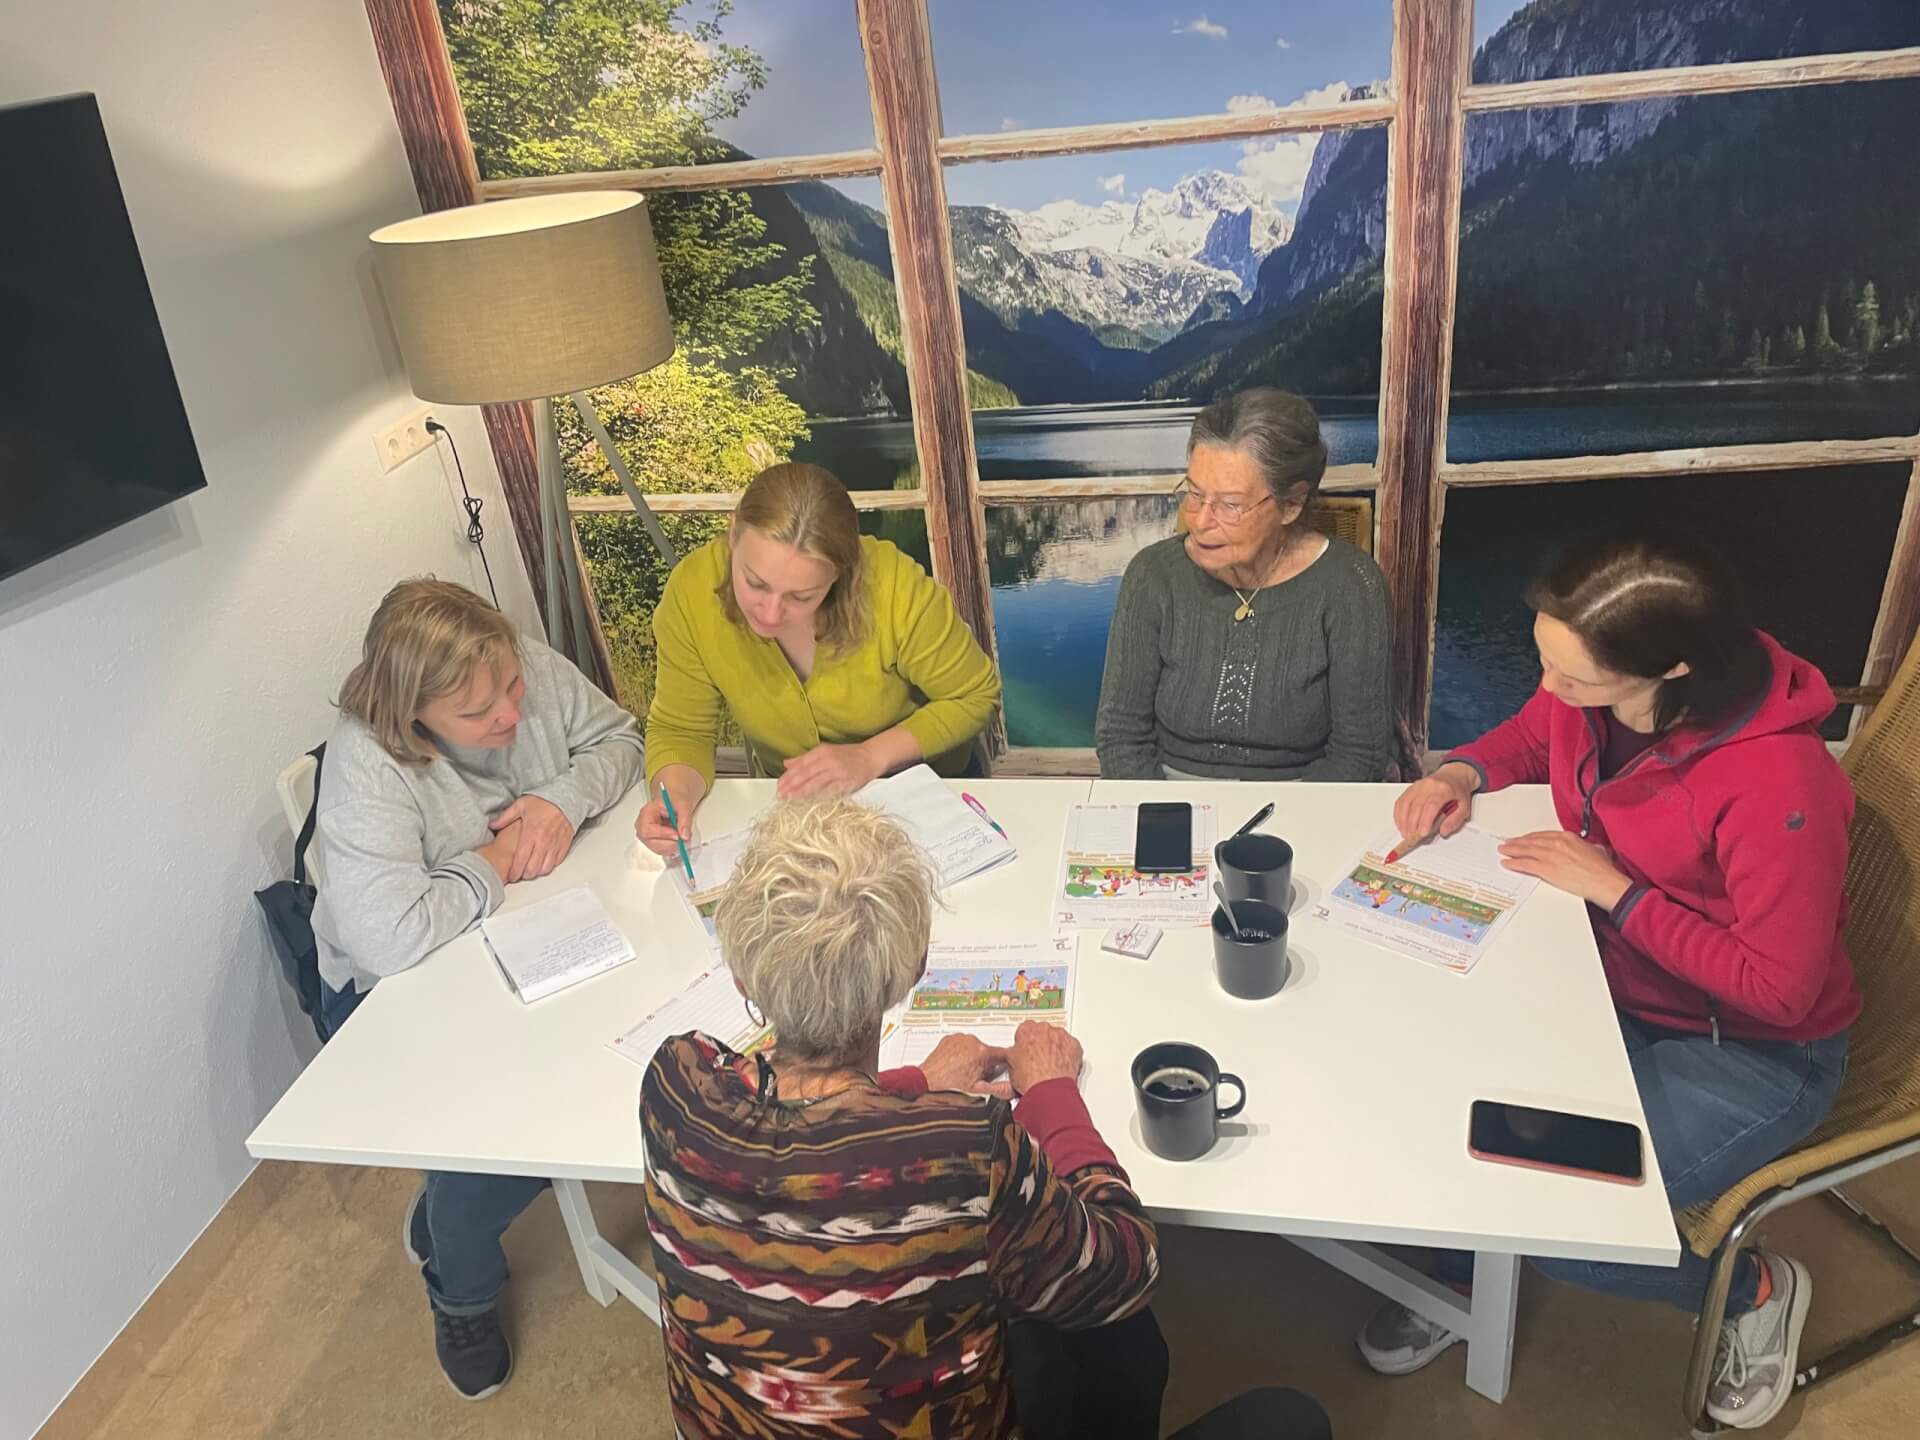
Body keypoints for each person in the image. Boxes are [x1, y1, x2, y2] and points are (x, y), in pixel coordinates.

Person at [1359, 534, 1859, 1432]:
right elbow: (1530, 733)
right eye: (1543, 660)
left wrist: (1617, 893)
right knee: (1438, 1095)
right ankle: (1471, 1273)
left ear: (1671, 668)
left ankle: (1749, 1286)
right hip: (1609, 984)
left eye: (1574, 676)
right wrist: (1461, 771)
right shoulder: (1598, 693)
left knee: (1568, 1228)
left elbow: (1780, 990)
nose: (1550, 688)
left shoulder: (1778, 782)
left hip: (1752, 1051)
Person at [639, 799, 1336, 1440]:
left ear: (740, 975)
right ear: (914, 965)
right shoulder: (964, 1154)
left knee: (1093, 1340)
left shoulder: (676, 1081)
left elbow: (799, 1125)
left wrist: (912, 1085)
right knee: (1284, 1416)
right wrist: (1052, 1093)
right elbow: (1129, 1267)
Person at [311, 578, 644, 1400]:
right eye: (477, 711)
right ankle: (461, 1292)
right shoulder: (367, 759)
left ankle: (444, 1210)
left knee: (613, 1062)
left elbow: (622, 739)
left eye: (514, 688)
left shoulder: (506, 662)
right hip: (390, 988)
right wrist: (492, 861)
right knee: (497, 1138)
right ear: (413, 714)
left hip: (532, 929)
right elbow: (387, 939)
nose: (509, 715)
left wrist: (559, 802)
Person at [637, 462, 1000, 856]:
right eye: (755, 583)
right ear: (733, 532)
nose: (770, 614)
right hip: (793, 812)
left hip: (925, 796)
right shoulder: (692, 591)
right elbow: (681, 730)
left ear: (839, 574)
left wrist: (869, 756)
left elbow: (975, 696)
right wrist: (674, 797)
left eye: (801, 596)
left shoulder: (894, 587)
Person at [1096, 388, 1395, 782]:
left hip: (1301, 798)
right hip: (1167, 792)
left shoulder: (1352, 585)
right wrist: (1166, 810)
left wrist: (1282, 816)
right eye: (1195, 494)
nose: (1200, 521)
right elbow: (1121, 736)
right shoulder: (1152, 575)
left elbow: (1360, 754)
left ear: (1291, 504)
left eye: (1230, 505)